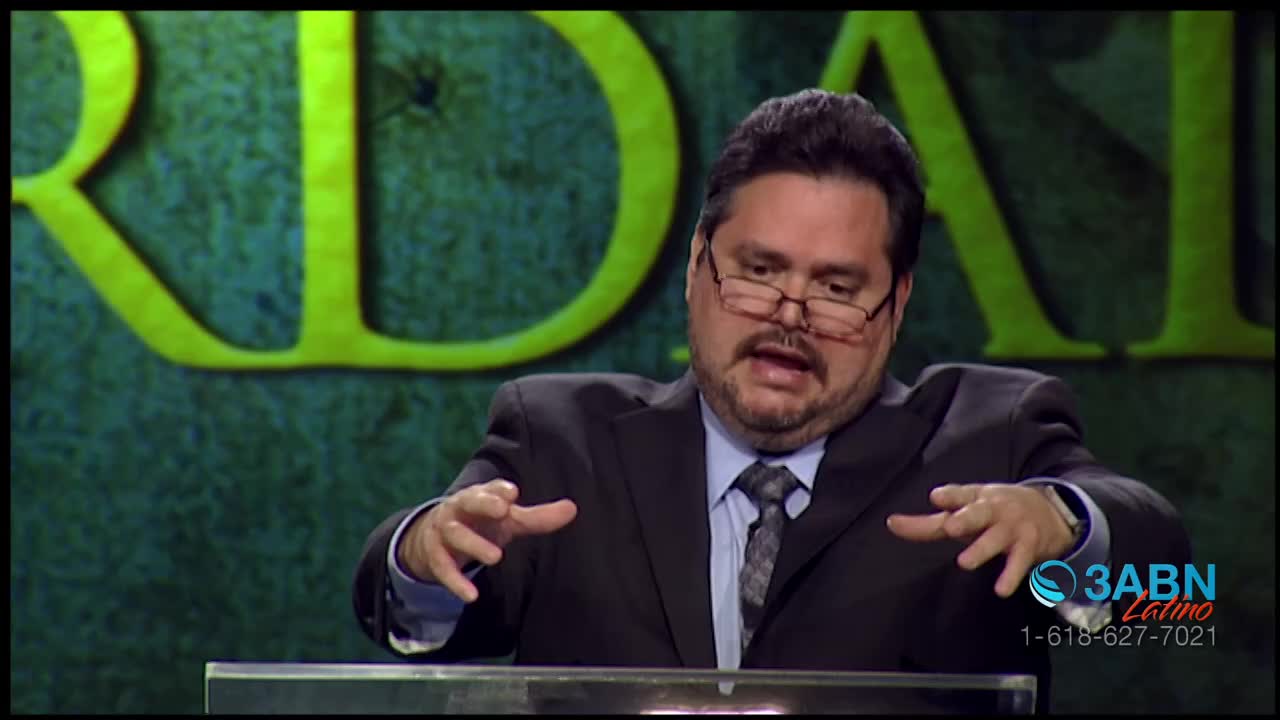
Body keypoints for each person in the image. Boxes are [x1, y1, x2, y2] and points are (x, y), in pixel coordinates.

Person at [351, 88, 1190, 712]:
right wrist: (423, 555)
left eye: (835, 286)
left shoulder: (990, 441)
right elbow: (423, 611)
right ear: (695, 268)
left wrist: (1069, 527)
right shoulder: (561, 439)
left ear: (895, 307)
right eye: (757, 271)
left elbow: (1174, 603)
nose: (789, 317)